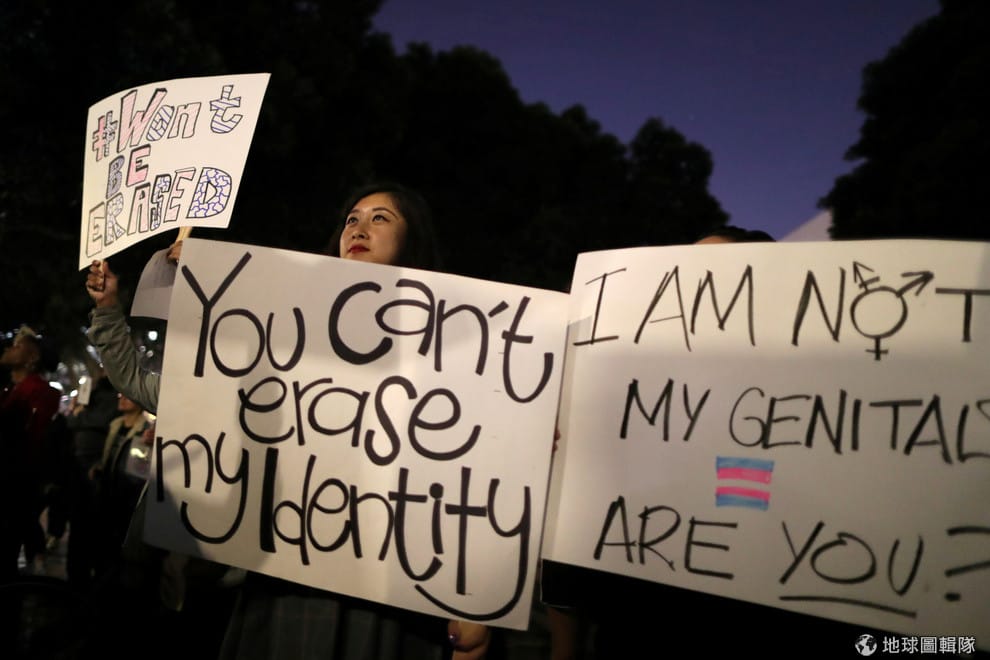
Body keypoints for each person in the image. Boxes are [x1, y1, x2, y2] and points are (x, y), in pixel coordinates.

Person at [86, 182, 488, 659]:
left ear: (412, 239)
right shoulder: (280, 340)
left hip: (381, 589)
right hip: (282, 582)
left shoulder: (451, 352)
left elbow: (472, 475)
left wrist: (474, 598)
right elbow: (153, 386)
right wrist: (113, 308)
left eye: (380, 218)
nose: (359, 229)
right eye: (352, 218)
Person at [0, 325, 61, 580]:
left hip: (15, 486)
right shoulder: (10, 390)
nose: (8, 348)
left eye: (17, 346)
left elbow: (31, 444)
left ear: (32, 358)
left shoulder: (39, 393)